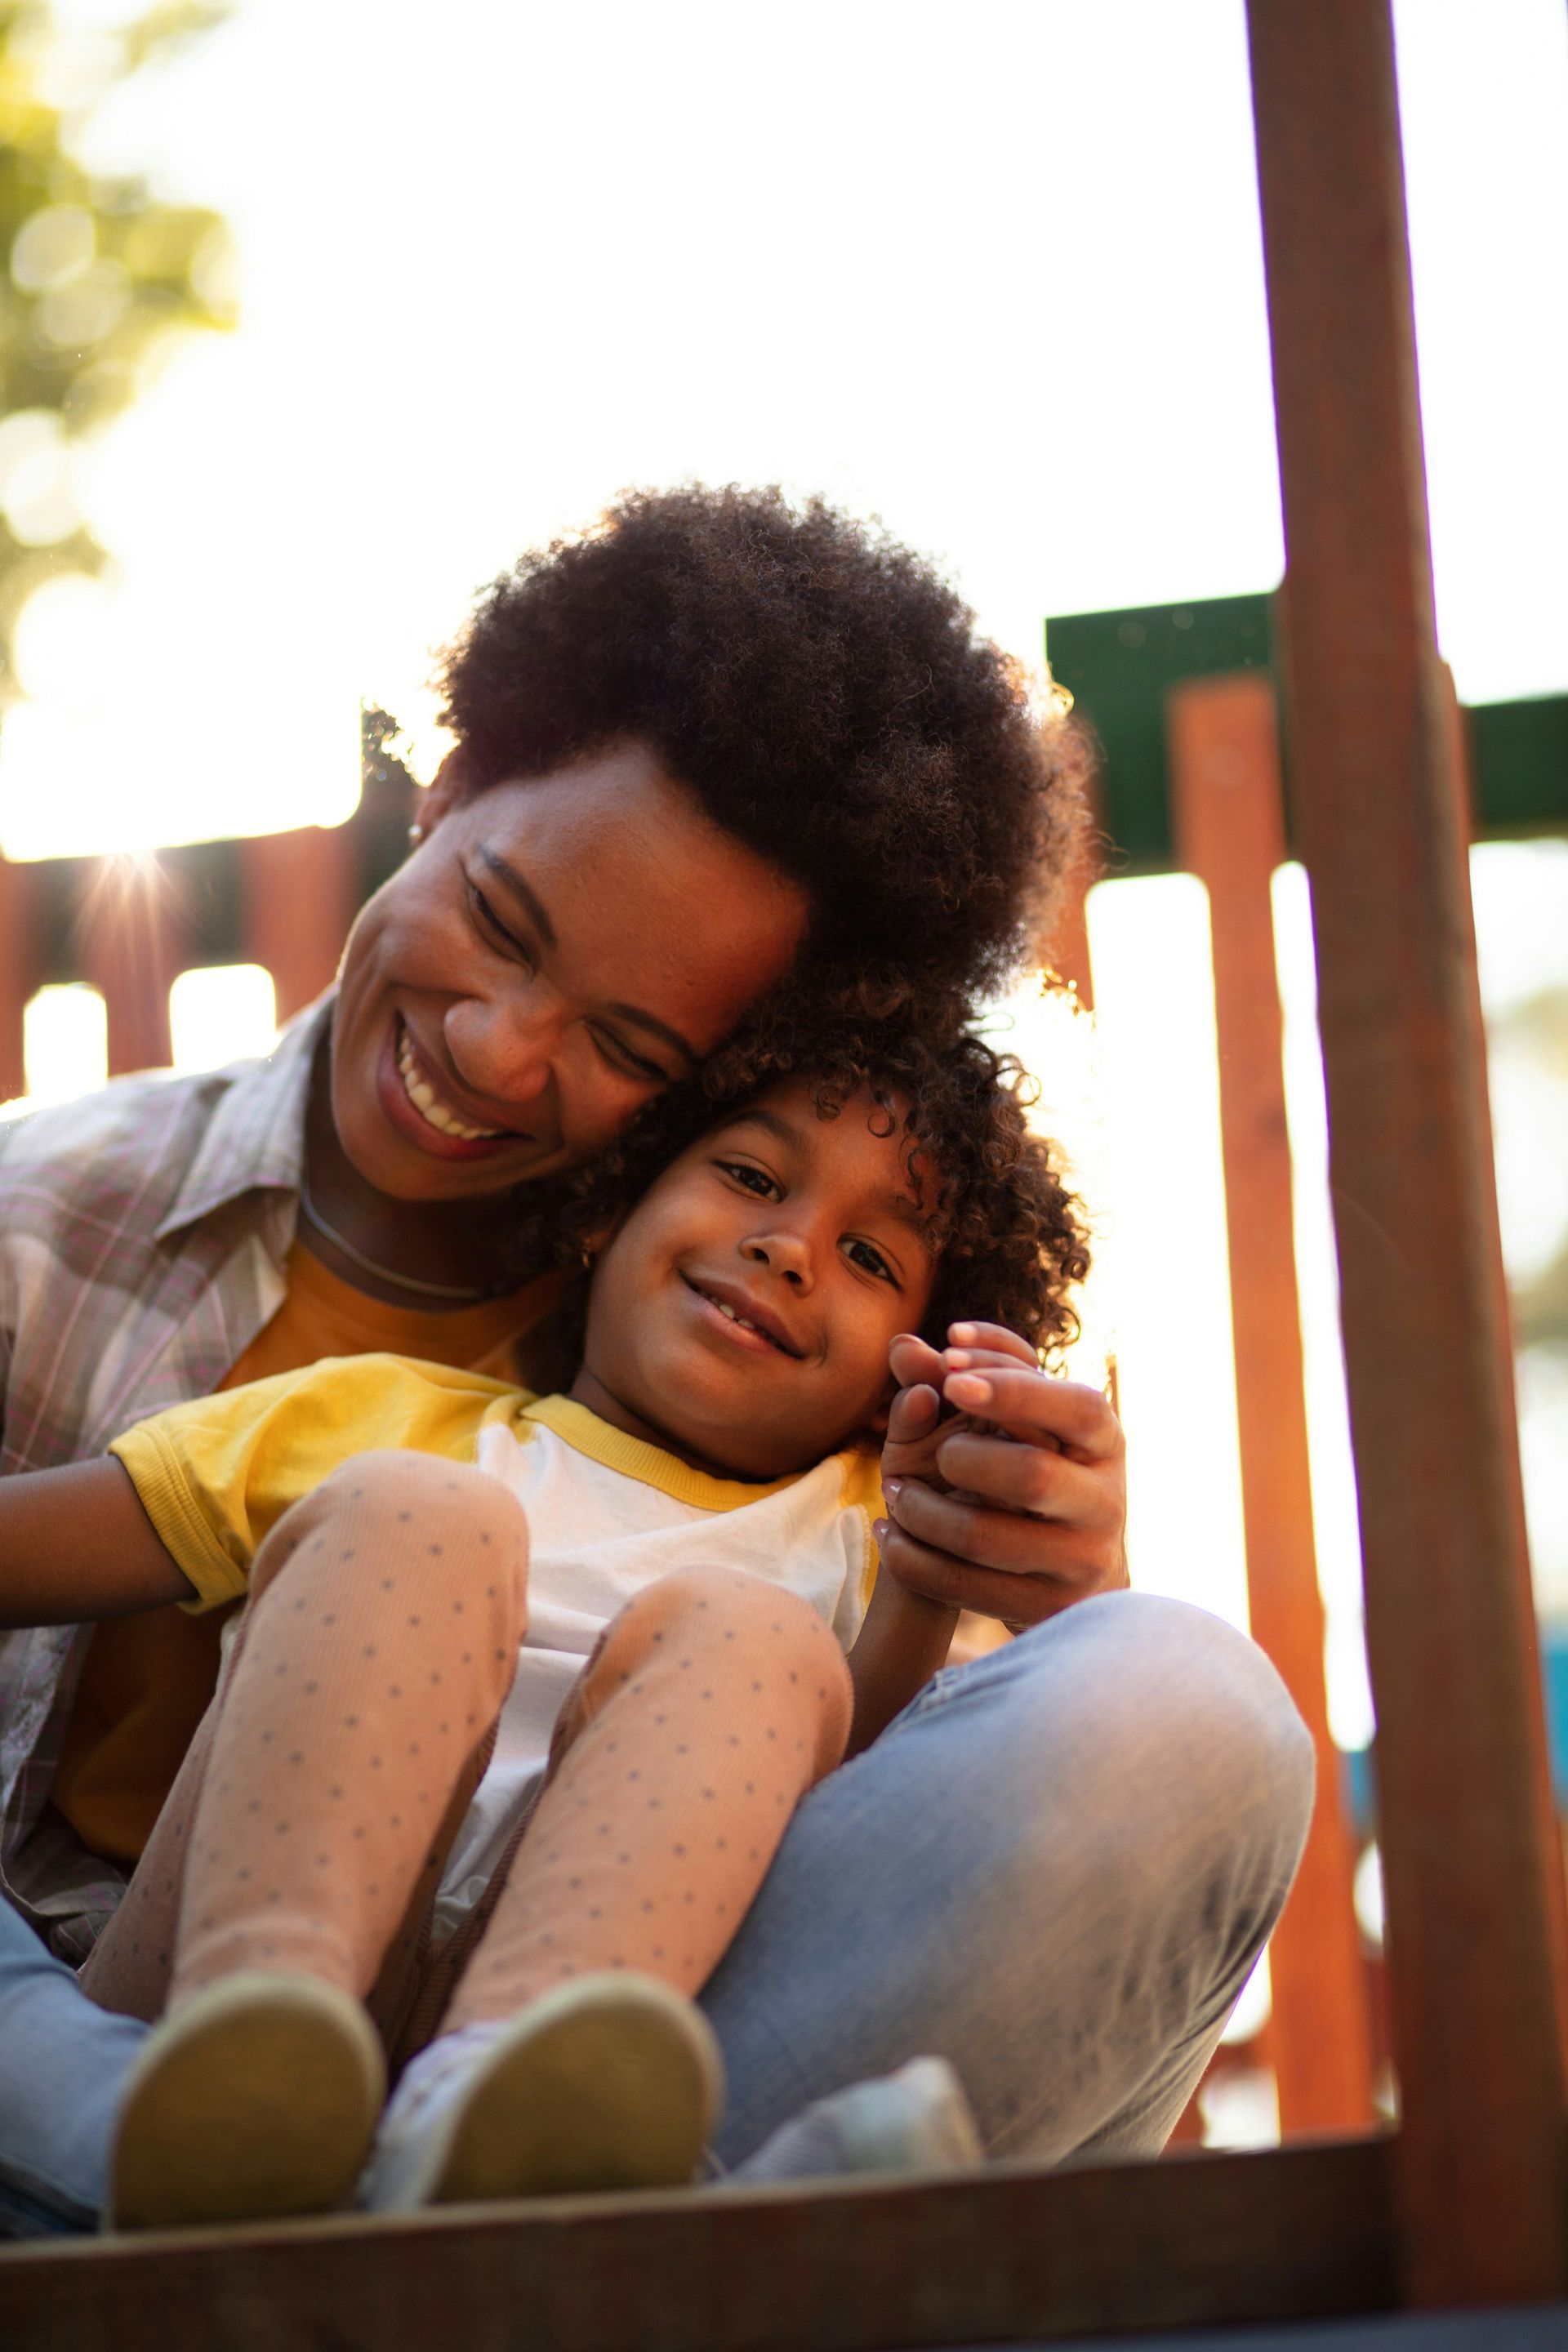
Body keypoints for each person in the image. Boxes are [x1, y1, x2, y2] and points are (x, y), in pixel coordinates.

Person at [0, 485, 1123, 1984]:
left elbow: (954, 1848)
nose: (496, 1048)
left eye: (633, 1044)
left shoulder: (770, 1404)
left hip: (566, 2048)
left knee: (1183, 1703)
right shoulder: (43, 1225)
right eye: (503, 921)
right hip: (115, 2005)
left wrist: (1060, 1595)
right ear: (448, 788)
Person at [2, 1021, 1098, 2230]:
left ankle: (500, 2105)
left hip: (566, 2087)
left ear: (907, 1369)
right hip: (189, 2021)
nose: (790, 1248)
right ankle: (259, 2044)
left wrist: (929, 1572)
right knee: (414, 1512)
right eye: (749, 1176)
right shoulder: (382, 1417)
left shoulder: (866, 1537)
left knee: (753, 1636)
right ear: (608, 1208)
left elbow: (875, 1790)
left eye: (868, 1257)